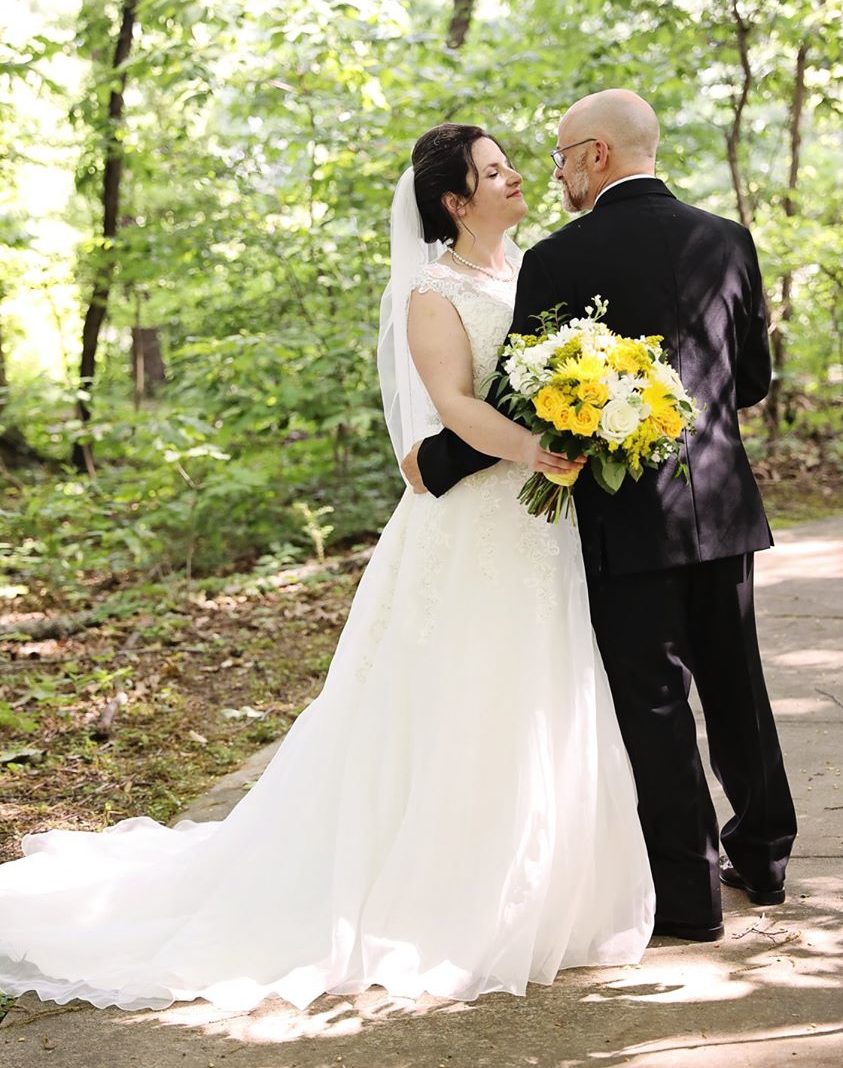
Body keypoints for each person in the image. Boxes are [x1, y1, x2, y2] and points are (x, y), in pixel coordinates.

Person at [0, 123, 654, 1013]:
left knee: (536, 688)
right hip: (472, 524)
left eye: (508, 167)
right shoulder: (432, 291)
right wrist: (542, 447)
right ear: (455, 203)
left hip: (538, 525)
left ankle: (536, 885)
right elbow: (454, 407)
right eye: (493, 172)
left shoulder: (529, 268)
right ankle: (431, 898)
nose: (512, 180)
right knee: (459, 691)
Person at [403, 92, 798, 942]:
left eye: (556, 156)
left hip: (624, 518)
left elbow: (532, 398)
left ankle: (690, 902)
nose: (551, 173)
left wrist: (434, 463)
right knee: (737, 683)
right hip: (724, 505)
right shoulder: (727, 240)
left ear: (594, 156)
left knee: (654, 702)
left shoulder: (555, 257)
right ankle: (764, 862)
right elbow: (752, 380)